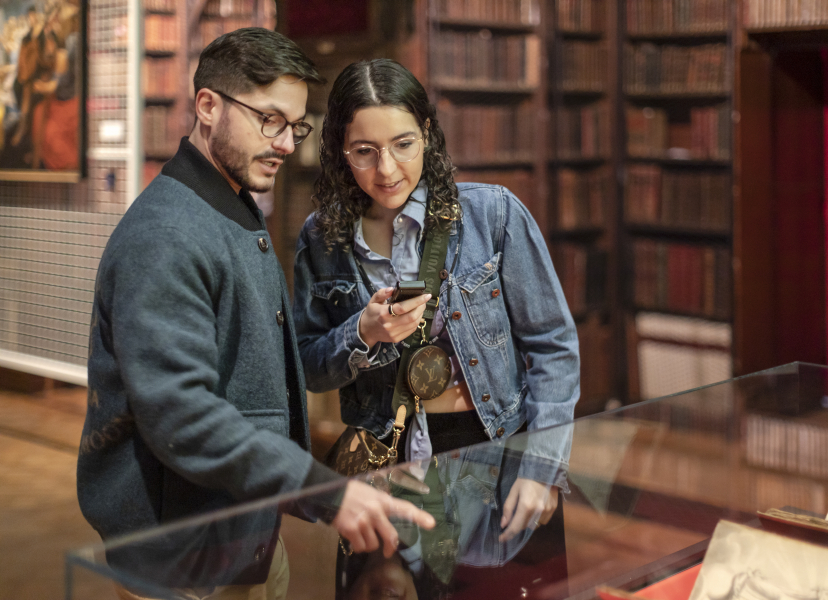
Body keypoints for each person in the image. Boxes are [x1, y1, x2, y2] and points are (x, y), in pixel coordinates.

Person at [76, 29, 433, 599]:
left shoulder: (230, 205)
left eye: (295, 125)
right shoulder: (168, 235)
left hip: (238, 536)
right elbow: (181, 415)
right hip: (185, 559)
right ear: (208, 106)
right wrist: (324, 489)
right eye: (270, 119)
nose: (288, 143)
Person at [292, 58, 579, 560]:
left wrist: (541, 470)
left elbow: (553, 348)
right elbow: (307, 369)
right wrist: (362, 332)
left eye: (403, 145)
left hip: (496, 451)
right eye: (364, 152)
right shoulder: (321, 239)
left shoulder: (492, 214)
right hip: (386, 464)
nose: (387, 170)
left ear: (426, 134)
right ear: (339, 150)